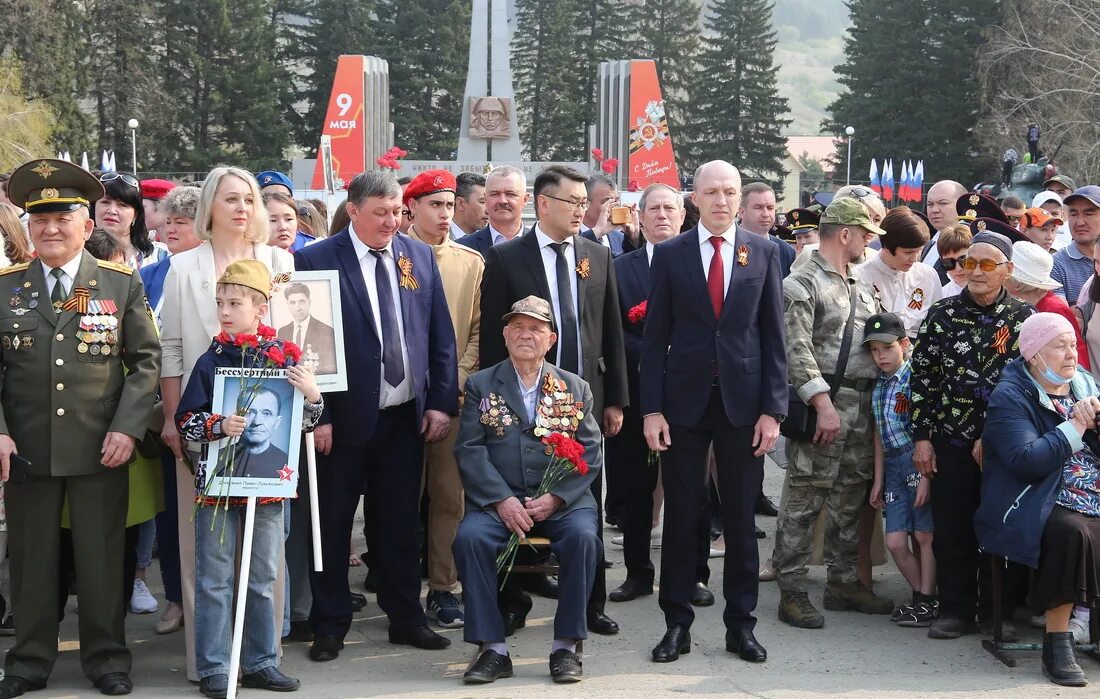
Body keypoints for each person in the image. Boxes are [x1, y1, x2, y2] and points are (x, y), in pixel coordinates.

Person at [0, 158, 160, 698]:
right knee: (31, 563)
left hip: (101, 447)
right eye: (38, 218)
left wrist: (128, 428)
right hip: (27, 448)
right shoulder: (6, 288)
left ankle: (107, 658)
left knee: (100, 560)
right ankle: (28, 661)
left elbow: (145, 362)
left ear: (87, 225)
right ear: (27, 225)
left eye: (62, 217)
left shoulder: (118, 283)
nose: (49, 228)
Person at [293, 170, 458, 660]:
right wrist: (317, 414)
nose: (391, 222)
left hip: (403, 417)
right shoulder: (315, 259)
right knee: (334, 523)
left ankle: (405, 617)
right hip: (340, 421)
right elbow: (307, 345)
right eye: (381, 213)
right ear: (353, 209)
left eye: (397, 213)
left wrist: (440, 401)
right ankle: (330, 623)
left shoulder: (418, 255)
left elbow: (439, 336)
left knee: (399, 524)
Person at [641, 160, 786, 663]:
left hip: (743, 406)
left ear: (739, 197)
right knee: (683, 516)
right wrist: (651, 410)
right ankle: (676, 623)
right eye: (712, 192)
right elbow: (654, 337)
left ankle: (740, 626)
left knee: (742, 523)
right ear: (694, 198)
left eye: (730, 192)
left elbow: (774, 338)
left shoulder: (763, 252)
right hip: (682, 405)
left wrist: (773, 410)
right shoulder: (672, 254)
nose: (722, 200)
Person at [478, 164, 628, 636]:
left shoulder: (596, 255)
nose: (583, 210)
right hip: (522, 403)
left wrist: (615, 400)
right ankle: (512, 599)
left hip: (581, 401)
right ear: (544, 204)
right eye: (574, 202)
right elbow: (491, 342)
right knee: (517, 497)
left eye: (586, 203)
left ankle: (589, 604)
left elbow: (611, 333)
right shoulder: (507, 259)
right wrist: (490, 402)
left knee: (585, 502)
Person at [159, 166, 295, 682]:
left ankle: (263, 658)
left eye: (249, 199)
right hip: (203, 422)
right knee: (206, 555)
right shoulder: (183, 266)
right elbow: (171, 346)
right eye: (231, 199)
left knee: (265, 554)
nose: (242, 208)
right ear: (209, 207)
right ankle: (208, 663)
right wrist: (174, 418)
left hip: (268, 428)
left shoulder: (280, 261)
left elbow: (301, 339)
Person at [175, 259, 323, 697]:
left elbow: (306, 422)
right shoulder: (211, 359)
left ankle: (261, 660)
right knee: (214, 579)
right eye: (220, 302)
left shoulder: (284, 358)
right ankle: (215, 666)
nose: (224, 309)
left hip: (267, 487)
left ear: (260, 308)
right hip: (219, 487)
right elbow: (186, 419)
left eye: (234, 302)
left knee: (263, 576)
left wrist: (312, 393)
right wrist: (217, 425)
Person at [452, 296, 603, 684]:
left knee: (585, 538)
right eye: (517, 327)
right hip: (499, 500)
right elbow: (468, 449)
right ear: (504, 335)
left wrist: (557, 497)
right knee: (470, 538)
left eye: (535, 328)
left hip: (562, 502)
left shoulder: (575, 386)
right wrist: (500, 499)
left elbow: (589, 451)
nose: (525, 334)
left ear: (550, 339)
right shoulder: (482, 384)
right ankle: (493, 648)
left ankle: (566, 646)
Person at [772, 198, 893, 629]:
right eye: (865, 234)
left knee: (850, 499)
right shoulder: (802, 283)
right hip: (825, 404)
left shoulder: (856, 280)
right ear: (846, 234)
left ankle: (844, 583)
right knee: (806, 499)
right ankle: (791, 588)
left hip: (861, 405)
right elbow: (796, 349)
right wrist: (822, 405)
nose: (868, 242)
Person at [910, 231, 1034, 640]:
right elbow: (923, 379)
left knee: (1002, 525)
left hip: (1006, 444)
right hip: (951, 438)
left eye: (986, 265)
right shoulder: (942, 314)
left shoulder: (1023, 320)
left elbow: (1029, 386)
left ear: (1007, 271)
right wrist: (922, 438)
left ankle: (998, 611)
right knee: (953, 526)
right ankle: (955, 609)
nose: (974, 272)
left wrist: (993, 435)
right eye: (969, 263)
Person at [976, 312, 1100, 687]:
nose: (1070, 354)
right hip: (1031, 495)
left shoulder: (1084, 384)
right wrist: (1076, 426)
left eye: (1071, 344)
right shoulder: (1011, 394)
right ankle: (1057, 639)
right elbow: (1026, 462)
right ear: (1033, 355)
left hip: (1088, 487)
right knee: (1072, 532)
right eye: (1058, 346)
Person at [608, 183, 712, 604]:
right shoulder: (620, 268)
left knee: (693, 489)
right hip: (637, 393)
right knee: (635, 488)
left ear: (684, 215)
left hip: (692, 393)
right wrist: (655, 346)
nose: (662, 216)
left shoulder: (704, 262)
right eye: (653, 209)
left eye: (670, 208)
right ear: (640, 216)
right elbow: (611, 334)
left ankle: (694, 574)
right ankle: (637, 571)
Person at [403, 169, 484, 629]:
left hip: (450, 396)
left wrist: (456, 378)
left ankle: (442, 586)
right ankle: (397, 582)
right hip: (400, 398)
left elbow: (475, 329)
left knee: (449, 497)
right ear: (412, 208)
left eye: (450, 205)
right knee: (398, 497)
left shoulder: (469, 262)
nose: (444, 214)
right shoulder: (393, 255)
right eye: (434, 205)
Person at [865, 312, 937, 628]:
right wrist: (878, 479)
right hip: (893, 465)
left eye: (887, 348)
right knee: (895, 540)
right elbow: (879, 435)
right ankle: (926, 597)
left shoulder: (913, 380)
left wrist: (925, 476)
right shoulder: (879, 387)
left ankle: (924, 599)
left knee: (923, 533)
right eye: (874, 351)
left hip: (917, 460)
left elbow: (926, 434)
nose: (881, 356)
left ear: (904, 344)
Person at [856, 206, 942, 339]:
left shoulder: (927, 275)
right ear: (887, 246)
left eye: (918, 251)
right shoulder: (860, 276)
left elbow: (939, 324)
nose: (914, 259)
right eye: (908, 252)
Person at [1004, 237, 1089, 371]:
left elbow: (1078, 361)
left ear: (1018, 283)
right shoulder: (1015, 303)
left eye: (1005, 275)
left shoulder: (1054, 310)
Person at [94, 172, 169, 270]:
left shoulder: (160, 256)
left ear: (136, 214)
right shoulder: (77, 254)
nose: (112, 211)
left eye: (122, 205)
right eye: (105, 202)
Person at [458, 165, 530, 255]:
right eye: (495, 194)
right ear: (485, 198)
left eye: (510, 194)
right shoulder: (462, 248)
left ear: (525, 199)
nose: (502, 201)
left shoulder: (541, 244)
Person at [276, 283, 337, 375]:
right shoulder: (282, 332)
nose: (298, 308)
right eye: (292, 302)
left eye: (302, 301)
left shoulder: (326, 331)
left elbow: (330, 367)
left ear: (309, 302)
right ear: (287, 304)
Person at [1053, 186, 1100, 304]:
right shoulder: (1056, 265)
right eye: (1073, 214)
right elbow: (1062, 316)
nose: (1079, 222)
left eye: (1088, 214)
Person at [738, 182, 795, 277]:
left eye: (770, 208)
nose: (766, 214)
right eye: (758, 207)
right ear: (741, 212)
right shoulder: (729, 246)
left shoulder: (785, 251)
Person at [920, 180, 968, 284]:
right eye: (930, 204)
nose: (935, 210)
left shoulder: (973, 243)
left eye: (942, 203)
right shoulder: (929, 244)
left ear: (961, 205)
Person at [579, 173, 628, 257]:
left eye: (616, 201)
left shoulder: (621, 238)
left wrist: (634, 237)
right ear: (586, 204)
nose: (614, 206)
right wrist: (596, 232)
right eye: (607, 202)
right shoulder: (569, 237)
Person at [938, 224, 972, 297]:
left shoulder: (996, 292)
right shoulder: (940, 297)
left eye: (964, 260)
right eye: (949, 263)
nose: (958, 269)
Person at [452, 172, 487, 239]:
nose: (488, 210)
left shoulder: (493, 240)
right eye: (483, 202)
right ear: (460, 203)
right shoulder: (436, 239)